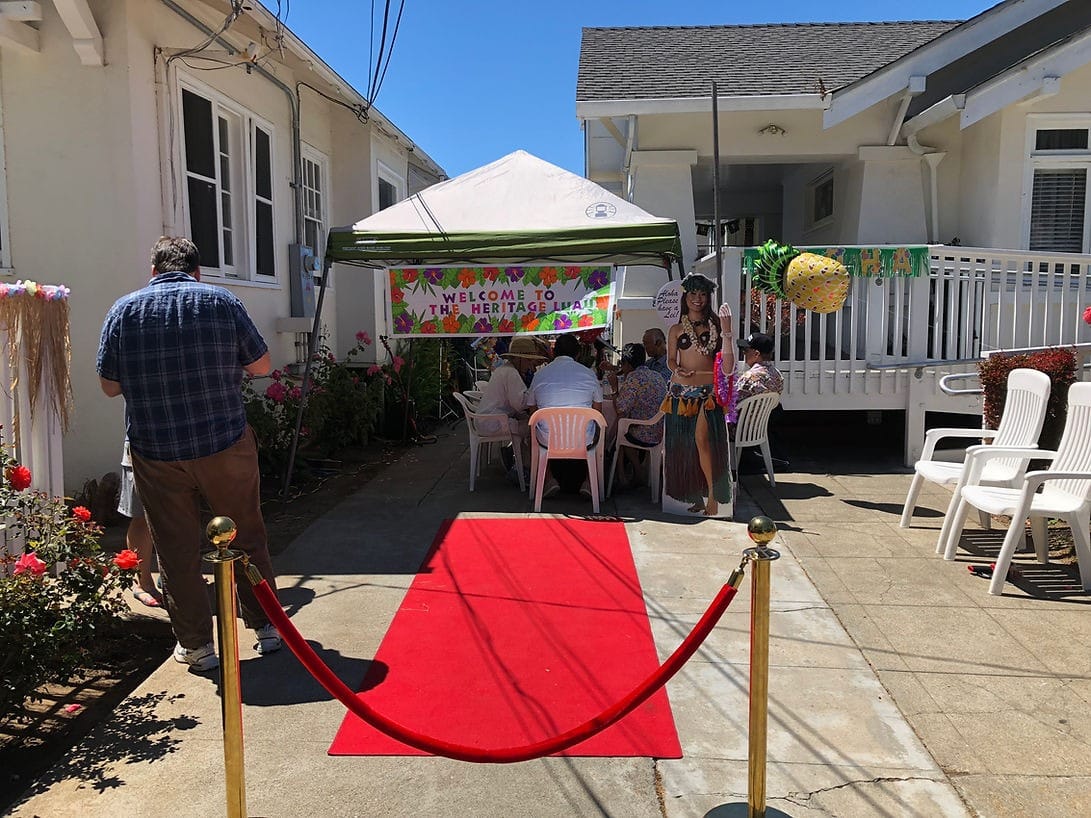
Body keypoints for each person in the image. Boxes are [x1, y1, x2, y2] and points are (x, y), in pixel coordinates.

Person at [96, 236, 281, 673]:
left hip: (156, 449)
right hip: (223, 442)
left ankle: (198, 646)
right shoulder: (221, 302)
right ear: (197, 270)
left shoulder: (123, 310)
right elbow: (262, 366)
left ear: (153, 270)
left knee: (175, 548)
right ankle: (267, 629)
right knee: (246, 536)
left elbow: (108, 385)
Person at [663, 273, 733, 516]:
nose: (698, 299)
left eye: (703, 294)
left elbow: (727, 365)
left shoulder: (715, 327)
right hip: (681, 393)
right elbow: (671, 360)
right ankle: (696, 497)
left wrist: (727, 332)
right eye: (693, 294)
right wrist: (676, 368)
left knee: (703, 442)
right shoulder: (675, 329)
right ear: (686, 296)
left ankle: (714, 497)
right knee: (685, 448)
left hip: (707, 394)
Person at [526, 332, 603, 498]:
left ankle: (548, 478)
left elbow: (531, 409)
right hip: (583, 439)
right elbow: (598, 412)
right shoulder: (589, 374)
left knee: (532, 429)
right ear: (577, 353)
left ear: (554, 353)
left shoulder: (540, 375)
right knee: (599, 428)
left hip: (548, 438)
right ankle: (589, 481)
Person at [476, 336, 545, 482]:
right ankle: (523, 468)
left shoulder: (506, 369)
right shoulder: (511, 373)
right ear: (519, 359)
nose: (530, 364)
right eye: (528, 360)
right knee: (536, 428)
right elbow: (520, 404)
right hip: (493, 422)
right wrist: (538, 396)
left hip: (487, 419)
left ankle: (518, 461)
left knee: (530, 424)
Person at [607, 343, 667, 489]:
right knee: (623, 426)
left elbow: (621, 408)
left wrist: (615, 388)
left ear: (626, 363)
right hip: (660, 429)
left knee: (621, 430)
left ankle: (632, 474)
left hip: (643, 431)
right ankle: (625, 474)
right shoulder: (656, 375)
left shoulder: (633, 379)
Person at [119, 437, 160, 608]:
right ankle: (142, 583)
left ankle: (170, 579)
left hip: (182, 448)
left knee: (179, 517)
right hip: (144, 447)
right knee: (141, 516)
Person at [735, 332, 784, 403]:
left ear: (756, 354)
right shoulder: (778, 375)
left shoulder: (749, 377)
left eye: (746, 350)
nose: (744, 353)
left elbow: (733, 400)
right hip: (766, 413)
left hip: (747, 414)